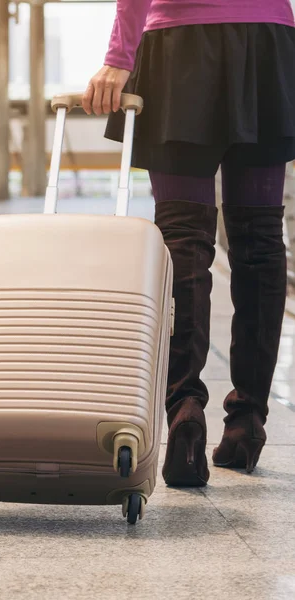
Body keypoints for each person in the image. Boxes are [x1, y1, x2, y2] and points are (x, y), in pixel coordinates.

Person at [82, 0, 295, 487]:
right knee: (260, 237)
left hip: (182, 44)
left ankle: (184, 411)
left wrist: (119, 56)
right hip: (266, 40)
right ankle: (247, 423)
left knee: (183, 236)